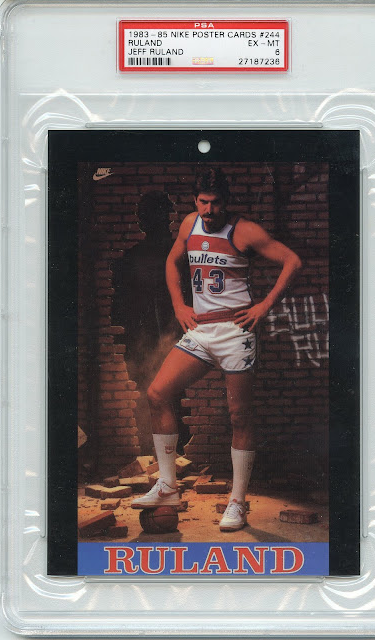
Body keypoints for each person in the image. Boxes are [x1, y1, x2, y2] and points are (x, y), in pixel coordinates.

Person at [131, 168, 302, 531]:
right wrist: (179, 305)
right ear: (195, 200)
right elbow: (172, 262)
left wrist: (264, 306)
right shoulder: (189, 224)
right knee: (157, 393)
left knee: (239, 416)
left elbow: (292, 261)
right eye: (203, 202)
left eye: (216, 202)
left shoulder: (245, 230)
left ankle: (238, 503)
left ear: (227, 201)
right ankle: (168, 487)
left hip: (235, 332)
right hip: (201, 330)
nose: (209, 210)